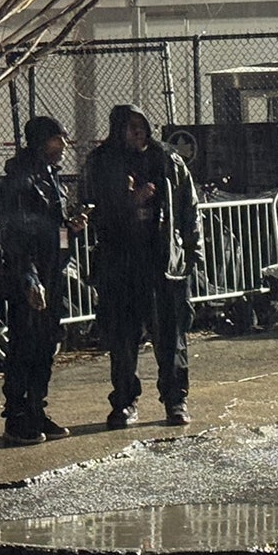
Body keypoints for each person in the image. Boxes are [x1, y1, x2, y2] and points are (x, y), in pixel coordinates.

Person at [83, 104, 204, 429]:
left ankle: (175, 399)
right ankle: (123, 402)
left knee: (170, 336)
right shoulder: (102, 162)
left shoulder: (167, 160)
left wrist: (193, 254)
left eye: (141, 125)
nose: (137, 132)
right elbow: (90, 209)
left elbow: (189, 208)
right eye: (130, 126)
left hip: (161, 262)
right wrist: (128, 202)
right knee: (122, 338)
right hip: (120, 262)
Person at [0, 116, 88, 445]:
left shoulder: (51, 177)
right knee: (24, 343)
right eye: (57, 138)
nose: (63, 144)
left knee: (46, 342)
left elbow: (56, 227)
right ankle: (17, 414)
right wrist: (28, 276)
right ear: (40, 141)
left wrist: (71, 231)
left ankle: (36, 407)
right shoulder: (19, 180)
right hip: (31, 273)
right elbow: (14, 234)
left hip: (52, 270)